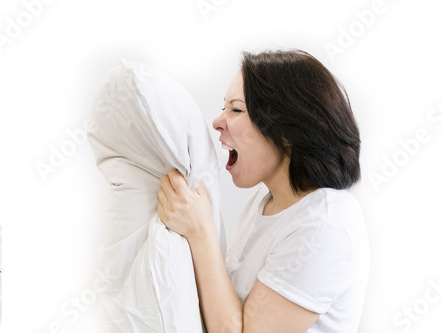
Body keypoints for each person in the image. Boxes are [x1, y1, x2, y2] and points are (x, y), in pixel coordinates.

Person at [156, 49, 370, 333]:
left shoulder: (324, 226)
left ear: (287, 131)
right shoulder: (267, 199)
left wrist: (200, 231)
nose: (218, 122)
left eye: (236, 109)